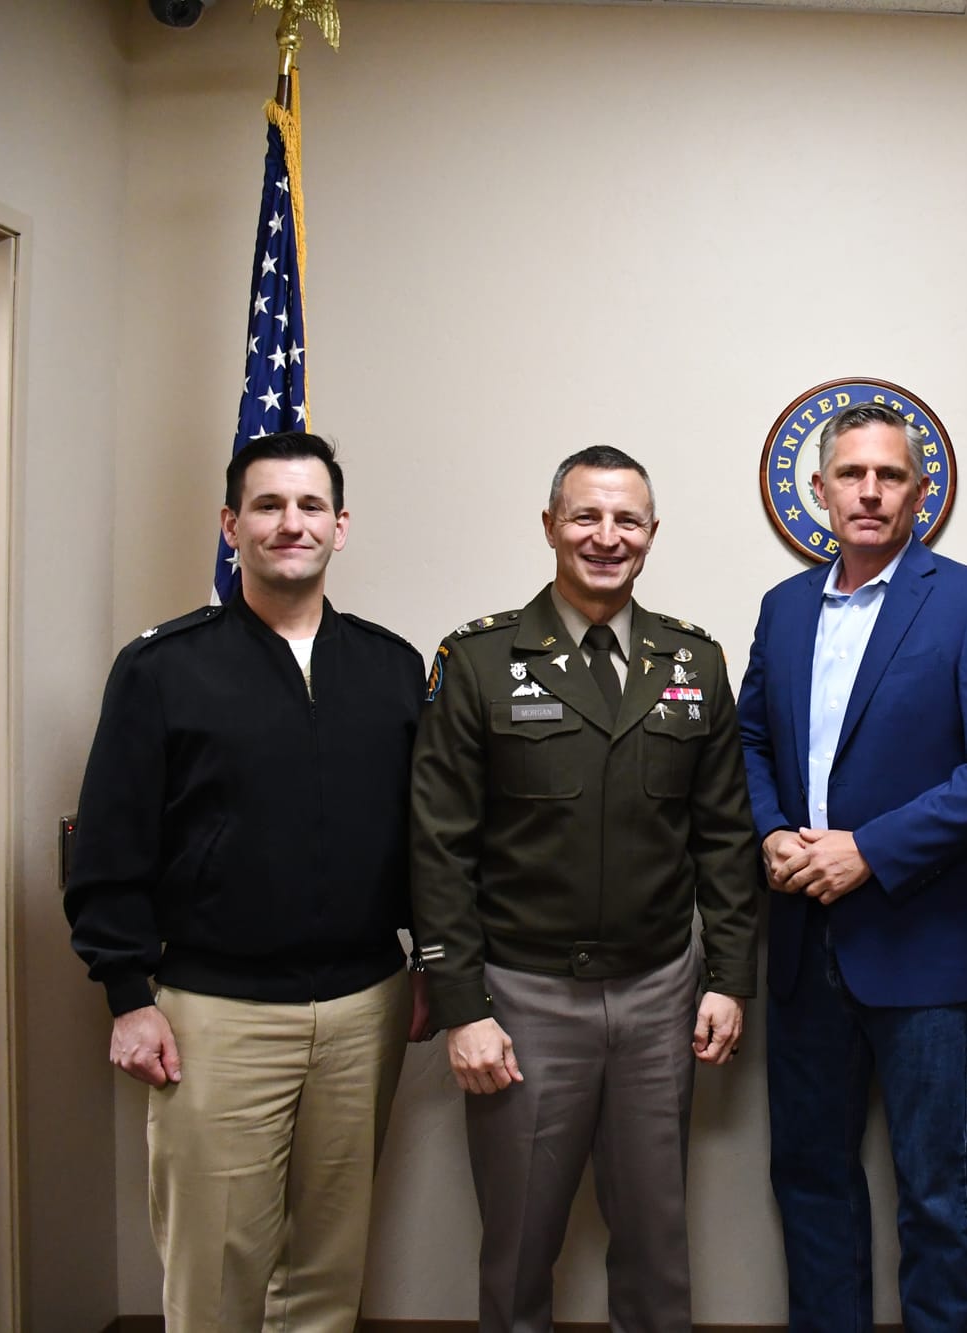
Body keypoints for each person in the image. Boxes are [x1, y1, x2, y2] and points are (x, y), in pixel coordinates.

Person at [65, 431, 425, 1332]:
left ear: (341, 527)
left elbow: (426, 836)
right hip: (215, 1013)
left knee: (325, 1271)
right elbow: (109, 843)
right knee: (217, 1268)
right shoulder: (162, 666)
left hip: (364, 1007)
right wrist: (124, 992)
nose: (289, 523)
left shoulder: (391, 668)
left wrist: (430, 966)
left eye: (310, 506)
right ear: (231, 526)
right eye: (267, 506)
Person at [408, 445, 760, 1333]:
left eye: (627, 520)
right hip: (523, 998)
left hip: (657, 993)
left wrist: (728, 976)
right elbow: (439, 844)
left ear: (650, 533)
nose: (607, 537)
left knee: (657, 1241)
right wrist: (462, 1006)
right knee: (521, 1244)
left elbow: (723, 835)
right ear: (550, 526)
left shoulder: (693, 662)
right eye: (587, 516)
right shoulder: (480, 659)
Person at [740, 399, 967, 1332]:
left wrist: (871, 849)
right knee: (811, 1179)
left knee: (937, 1196)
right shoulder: (784, 607)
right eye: (852, 474)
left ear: (920, 492)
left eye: (891, 475)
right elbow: (748, 738)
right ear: (821, 488)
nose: (870, 491)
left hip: (926, 949)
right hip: (802, 945)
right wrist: (771, 829)